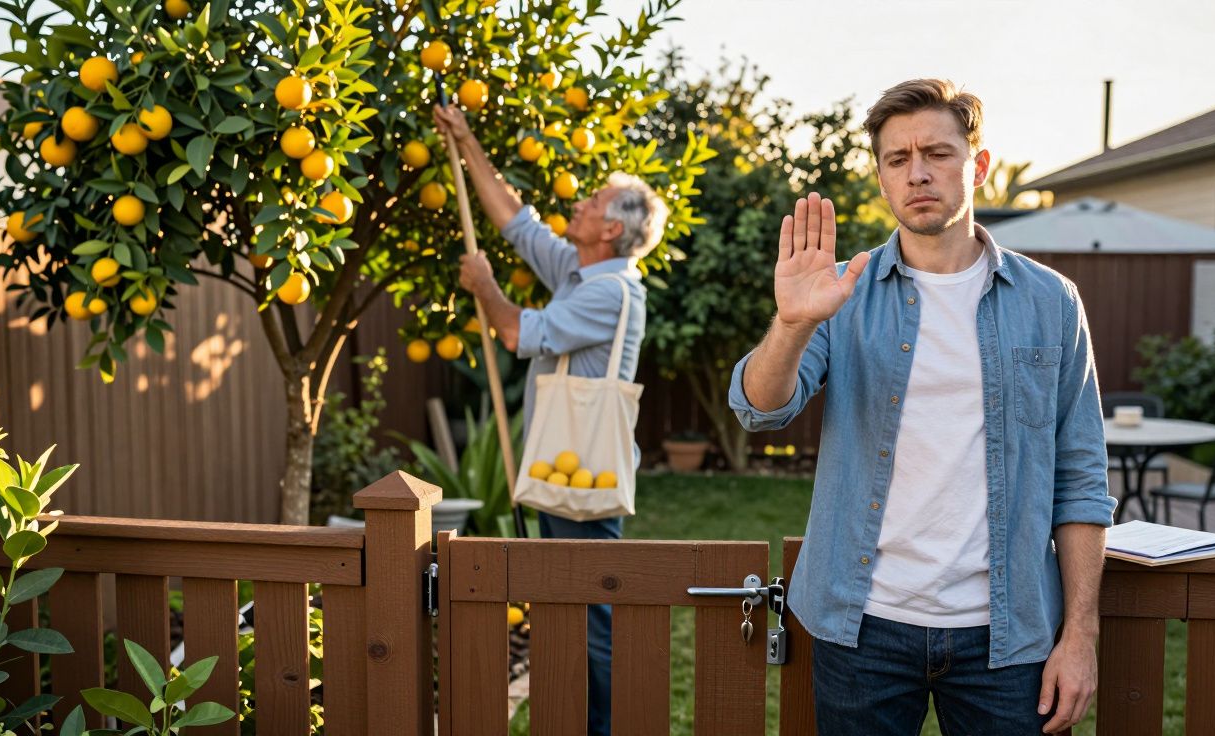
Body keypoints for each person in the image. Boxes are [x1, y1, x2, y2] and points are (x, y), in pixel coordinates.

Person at [728, 79, 1115, 735]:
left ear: (978, 165)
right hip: (863, 629)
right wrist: (792, 323)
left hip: (1009, 637)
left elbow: (1080, 479)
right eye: (897, 159)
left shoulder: (1051, 301)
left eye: (937, 153)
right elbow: (759, 409)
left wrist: (1080, 634)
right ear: (880, 177)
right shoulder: (840, 294)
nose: (917, 173)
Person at [434, 104, 668, 735]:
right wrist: (466, 141)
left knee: (589, 613)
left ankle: (602, 727)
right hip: (564, 468)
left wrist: (484, 285)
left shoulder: (609, 292)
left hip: (582, 477)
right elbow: (514, 218)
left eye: (594, 202)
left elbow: (514, 331)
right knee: (571, 605)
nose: (583, 204)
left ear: (612, 232)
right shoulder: (577, 269)